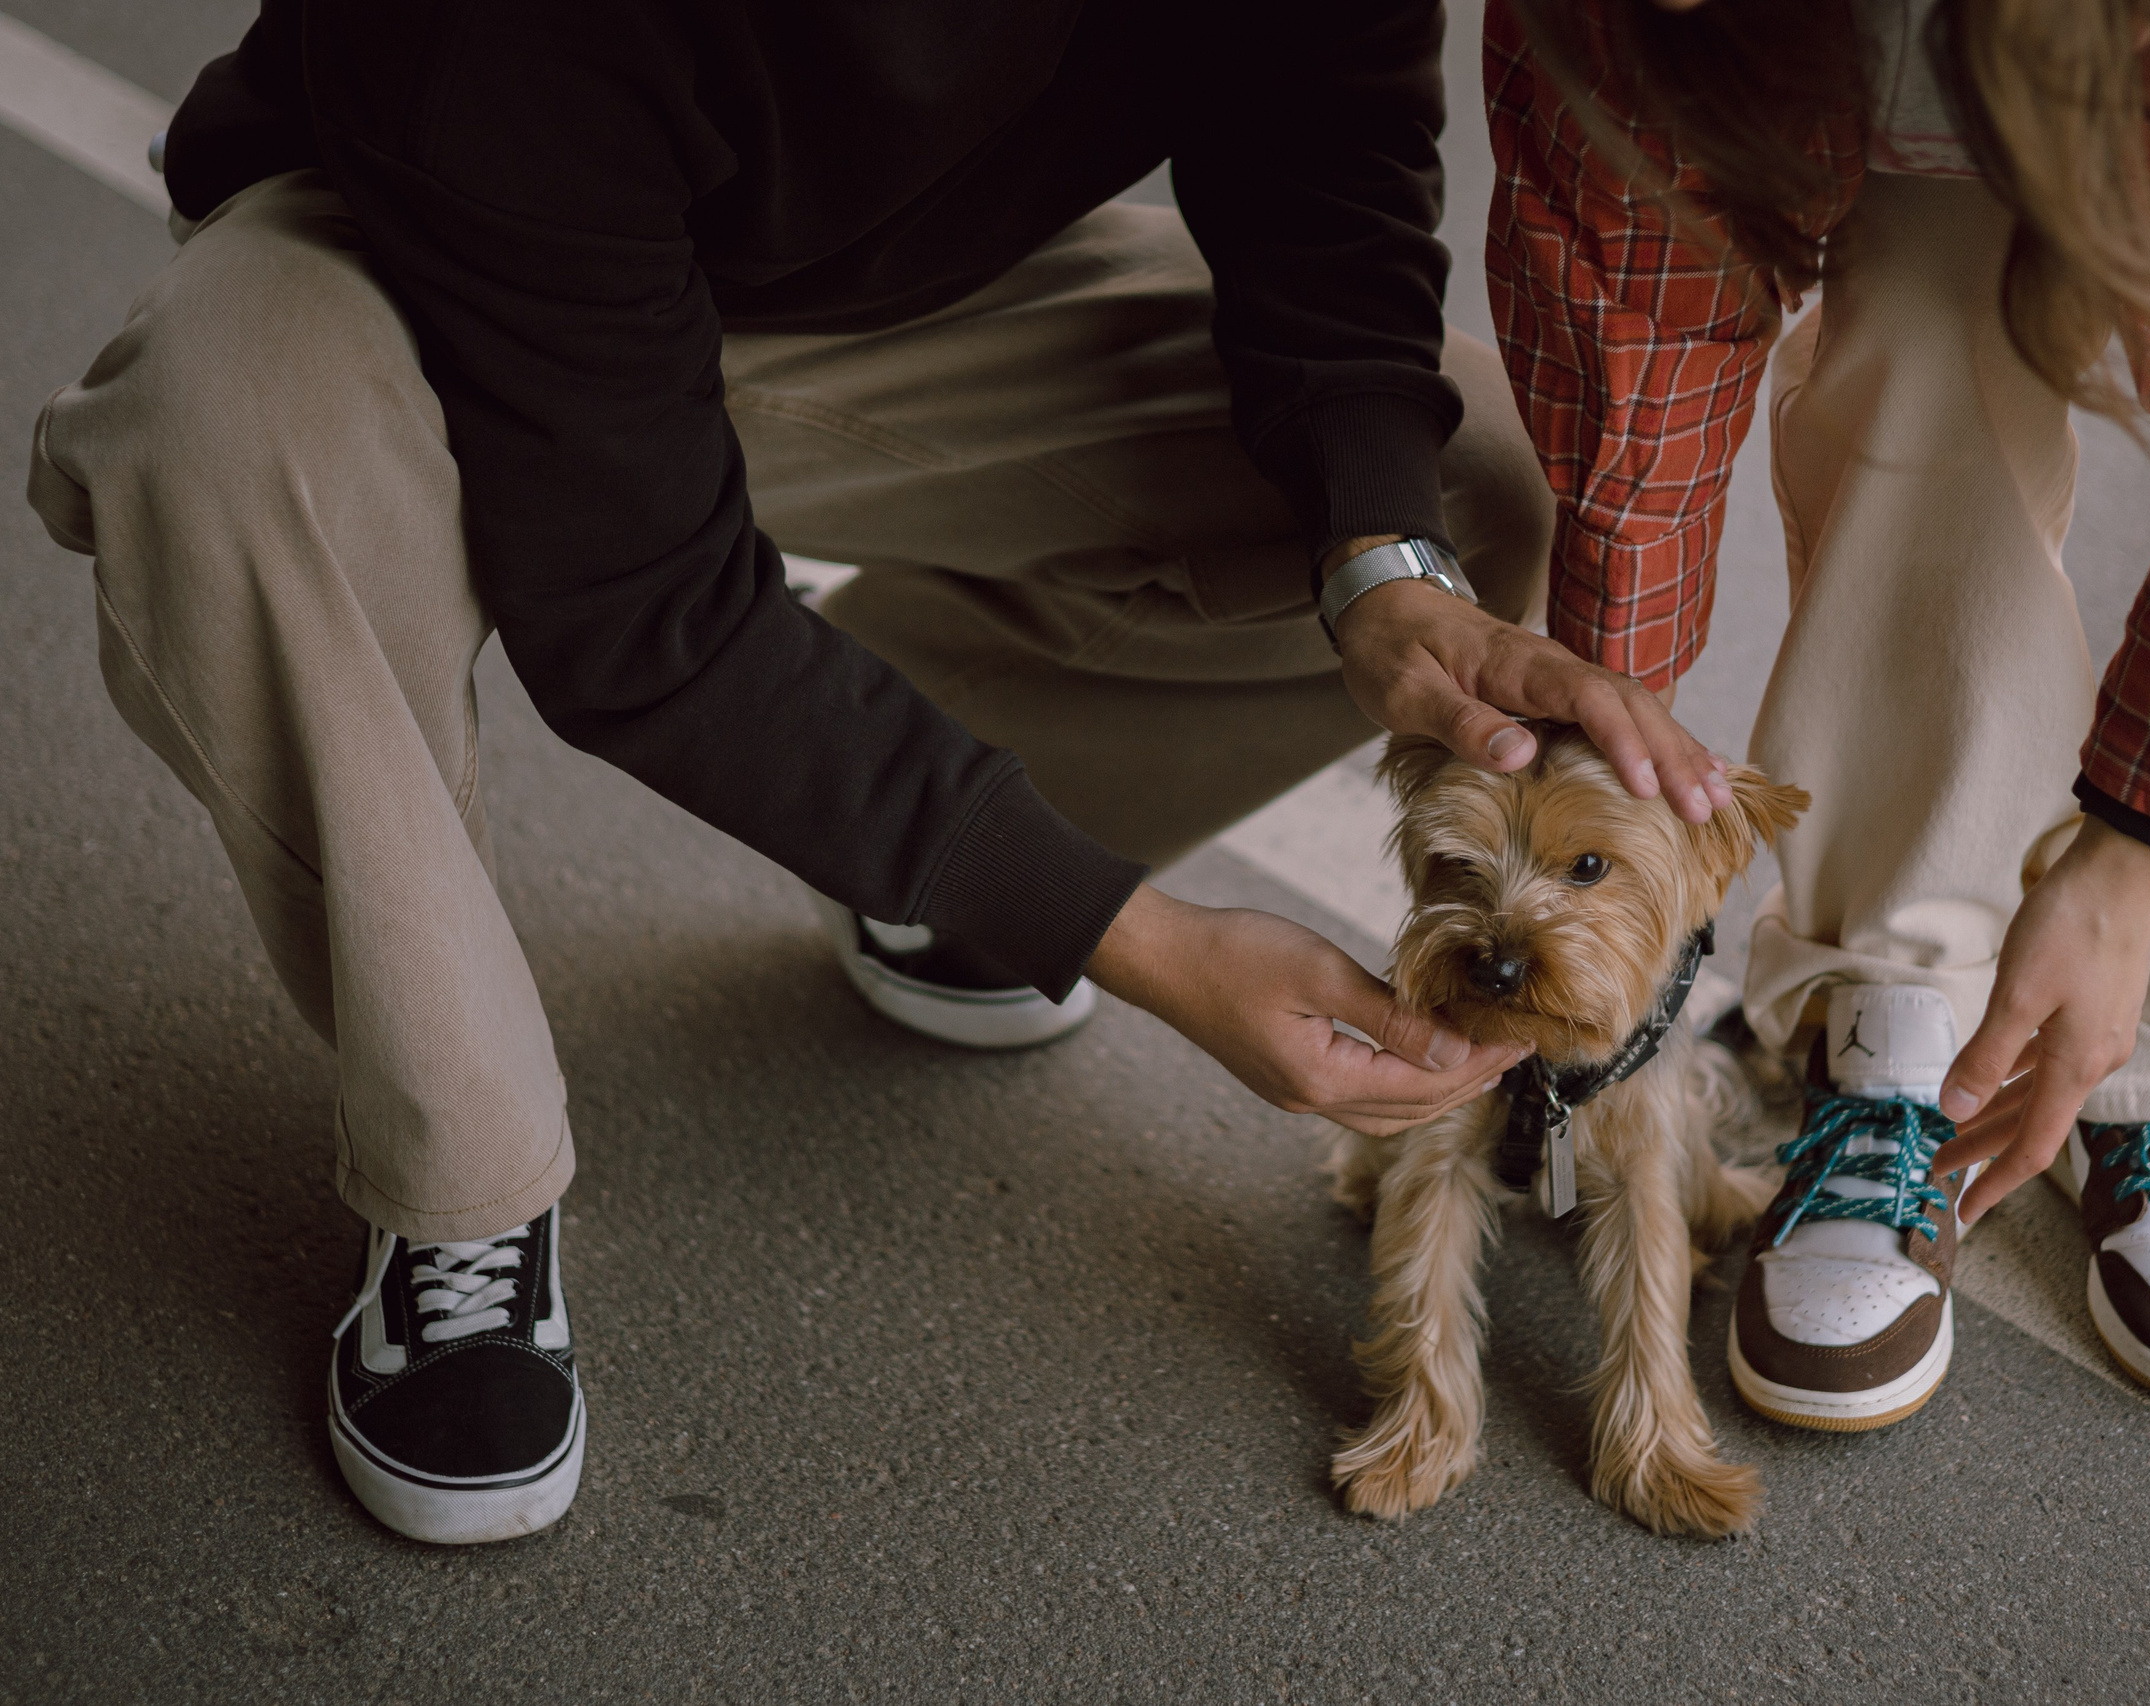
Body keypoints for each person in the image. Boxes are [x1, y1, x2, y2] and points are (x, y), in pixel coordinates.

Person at [25, 0, 1736, 1545]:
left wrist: (1384, 568)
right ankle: (455, 1184)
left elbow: (1328, 162)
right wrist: (1132, 939)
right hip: (418, 272)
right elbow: (642, 621)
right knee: (228, 429)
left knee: (1471, 493)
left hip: (855, 301)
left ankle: (932, 862)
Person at [1490, 0, 2150, 1428]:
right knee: (1930, 294)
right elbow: (1623, 214)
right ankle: (1902, 995)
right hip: (1943, 67)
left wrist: (2135, 849)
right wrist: (1602, 743)